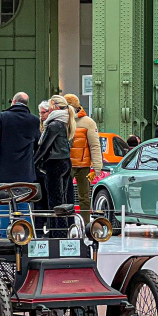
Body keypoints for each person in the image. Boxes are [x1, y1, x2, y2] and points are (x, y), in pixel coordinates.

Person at [0, 92, 40, 237]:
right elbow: (37, 144)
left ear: (13, 102)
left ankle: (4, 234)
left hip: (4, 169)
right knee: (24, 202)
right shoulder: (34, 120)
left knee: (3, 202)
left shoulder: (2, 118)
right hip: (25, 170)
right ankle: (25, 234)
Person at [33, 95, 76, 237]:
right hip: (65, 162)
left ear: (56, 107)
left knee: (54, 201)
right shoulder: (65, 121)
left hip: (54, 163)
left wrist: (34, 161)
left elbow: (44, 146)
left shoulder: (54, 125)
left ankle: (57, 232)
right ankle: (61, 231)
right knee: (62, 198)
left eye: (50, 106)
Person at [64, 94, 103, 224]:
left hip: (80, 166)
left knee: (84, 197)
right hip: (72, 165)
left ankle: (86, 223)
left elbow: (94, 144)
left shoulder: (87, 122)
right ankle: (69, 222)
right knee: (78, 196)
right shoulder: (84, 121)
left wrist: (97, 166)